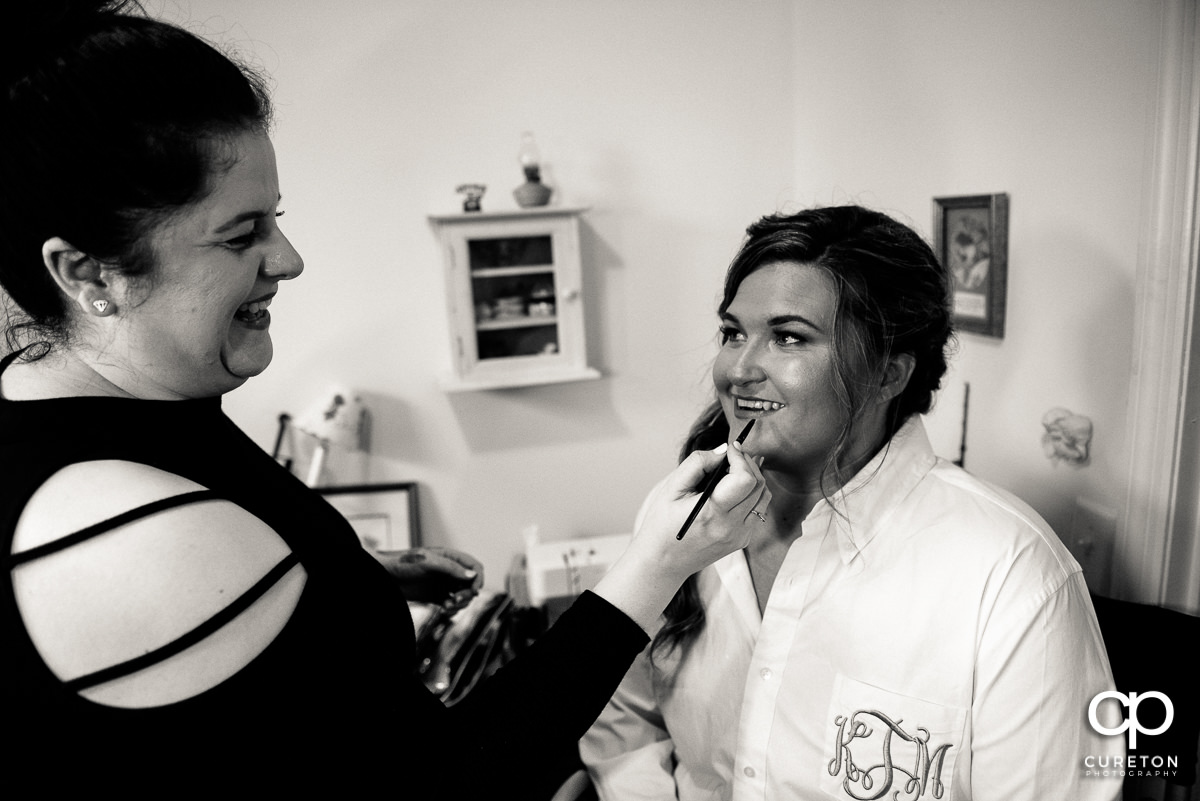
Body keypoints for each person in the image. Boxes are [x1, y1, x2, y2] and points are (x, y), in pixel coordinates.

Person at [0, 2, 768, 796]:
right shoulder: (136, 542)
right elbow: (448, 783)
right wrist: (654, 566)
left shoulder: (85, 398)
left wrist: (340, 580)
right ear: (89, 273)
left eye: (277, 219)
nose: (288, 259)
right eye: (240, 235)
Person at [580, 206, 1124, 800]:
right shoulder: (675, 517)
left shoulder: (1011, 576)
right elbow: (624, 722)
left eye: (789, 337)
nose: (736, 369)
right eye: (733, 332)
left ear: (889, 372)